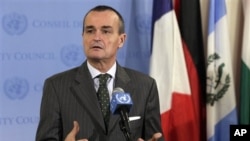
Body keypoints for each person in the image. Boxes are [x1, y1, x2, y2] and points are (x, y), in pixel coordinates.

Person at [35, 5, 164, 141]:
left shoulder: (145, 86)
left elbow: (155, 137)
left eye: (105, 31)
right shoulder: (56, 86)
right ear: (83, 36)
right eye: (90, 31)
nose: (96, 37)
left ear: (121, 40)